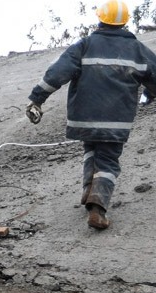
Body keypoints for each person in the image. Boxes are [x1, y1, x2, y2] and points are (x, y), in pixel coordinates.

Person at [26, 0, 156, 230]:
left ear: (100, 19)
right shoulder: (138, 50)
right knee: (108, 160)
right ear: (124, 23)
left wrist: (37, 98)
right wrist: (149, 93)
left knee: (91, 150)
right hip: (117, 121)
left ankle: (88, 189)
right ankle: (98, 207)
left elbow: (57, 72)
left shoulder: (85, 45)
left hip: (83, 117)